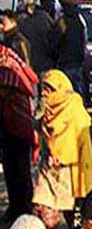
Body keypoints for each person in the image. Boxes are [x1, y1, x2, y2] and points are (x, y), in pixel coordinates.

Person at [33, 70, 92, 226]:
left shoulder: (74, 110)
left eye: (50, 89)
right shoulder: (47, 111)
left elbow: (79, 145)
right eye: (44, 88)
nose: (45, 93)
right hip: (49, 167)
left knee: (72, 210)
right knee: (43, 205)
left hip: (71, 169)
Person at [0, 45, 38, 222]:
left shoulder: (9, 65)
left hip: (19, 125)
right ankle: (15, 208)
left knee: (21, 170)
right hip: (8, 125)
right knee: (10, 169)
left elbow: (23, 84)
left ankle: (24, 210)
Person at [54, 0, 88, 98]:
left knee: (65, 93)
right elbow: (84, 39)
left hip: (65, 63)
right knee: (78, 92)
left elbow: (55, 42)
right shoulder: (79, 20)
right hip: (77, 61)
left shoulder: (62, 22)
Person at [19, 0, 58, 77]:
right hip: (43, 63)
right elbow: (54, 36)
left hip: (34, 64)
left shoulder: (21, 20)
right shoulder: (45, 17)